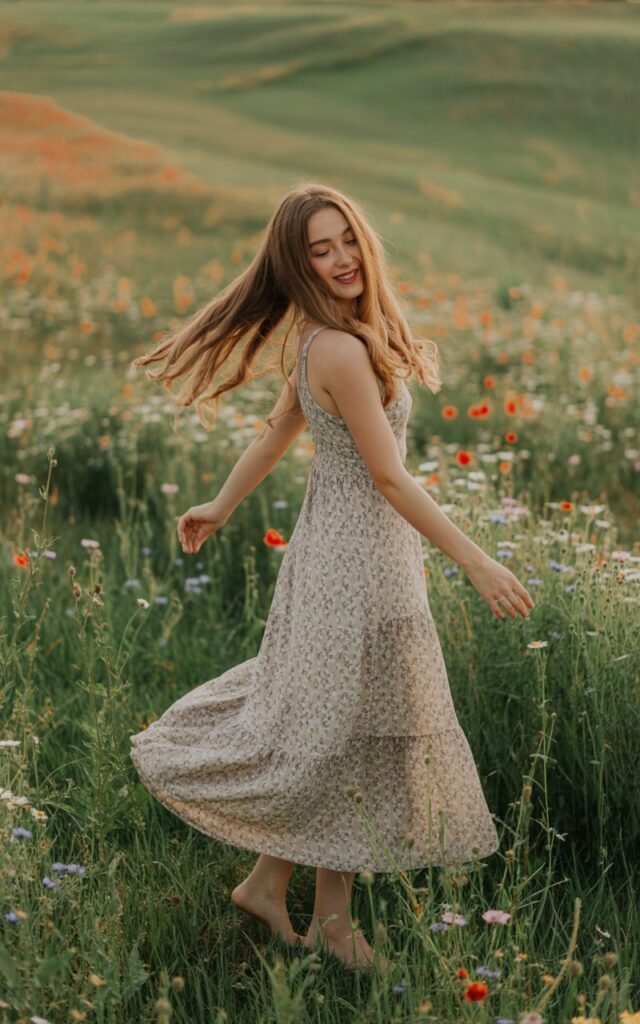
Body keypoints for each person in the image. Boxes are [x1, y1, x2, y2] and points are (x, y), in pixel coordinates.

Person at [128, 182, 535, 974]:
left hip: (343, 561)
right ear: (297, 262)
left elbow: (282, 426)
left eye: (346, 238)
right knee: (341, 734)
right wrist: (478, 560)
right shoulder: (340, 349)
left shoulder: (329, 337)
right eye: (320, 248)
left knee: (341, 729)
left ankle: (268, 888)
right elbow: (388, 477)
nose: (341, 258)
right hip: (356, 567)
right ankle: (336, 925)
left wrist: (219, 503)